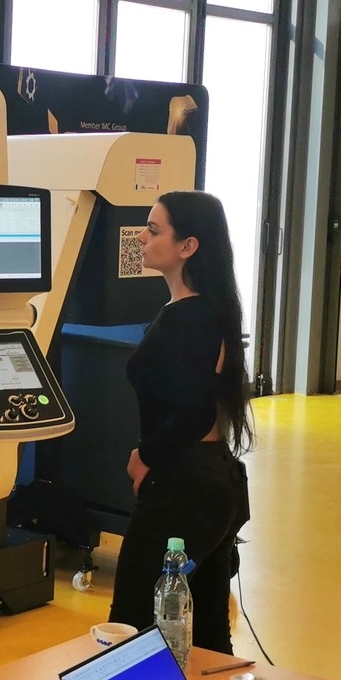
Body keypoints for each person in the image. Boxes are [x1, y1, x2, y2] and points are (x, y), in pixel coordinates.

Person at [108, 190, 253, 653]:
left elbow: (195, 410)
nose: (141, 238)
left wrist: (144, 455)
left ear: (188, 246)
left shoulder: (189, 319)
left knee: (131, 623)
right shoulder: (204, 310)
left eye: (154, 230)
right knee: (208, 633)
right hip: (213, 482)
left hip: (185, 486)